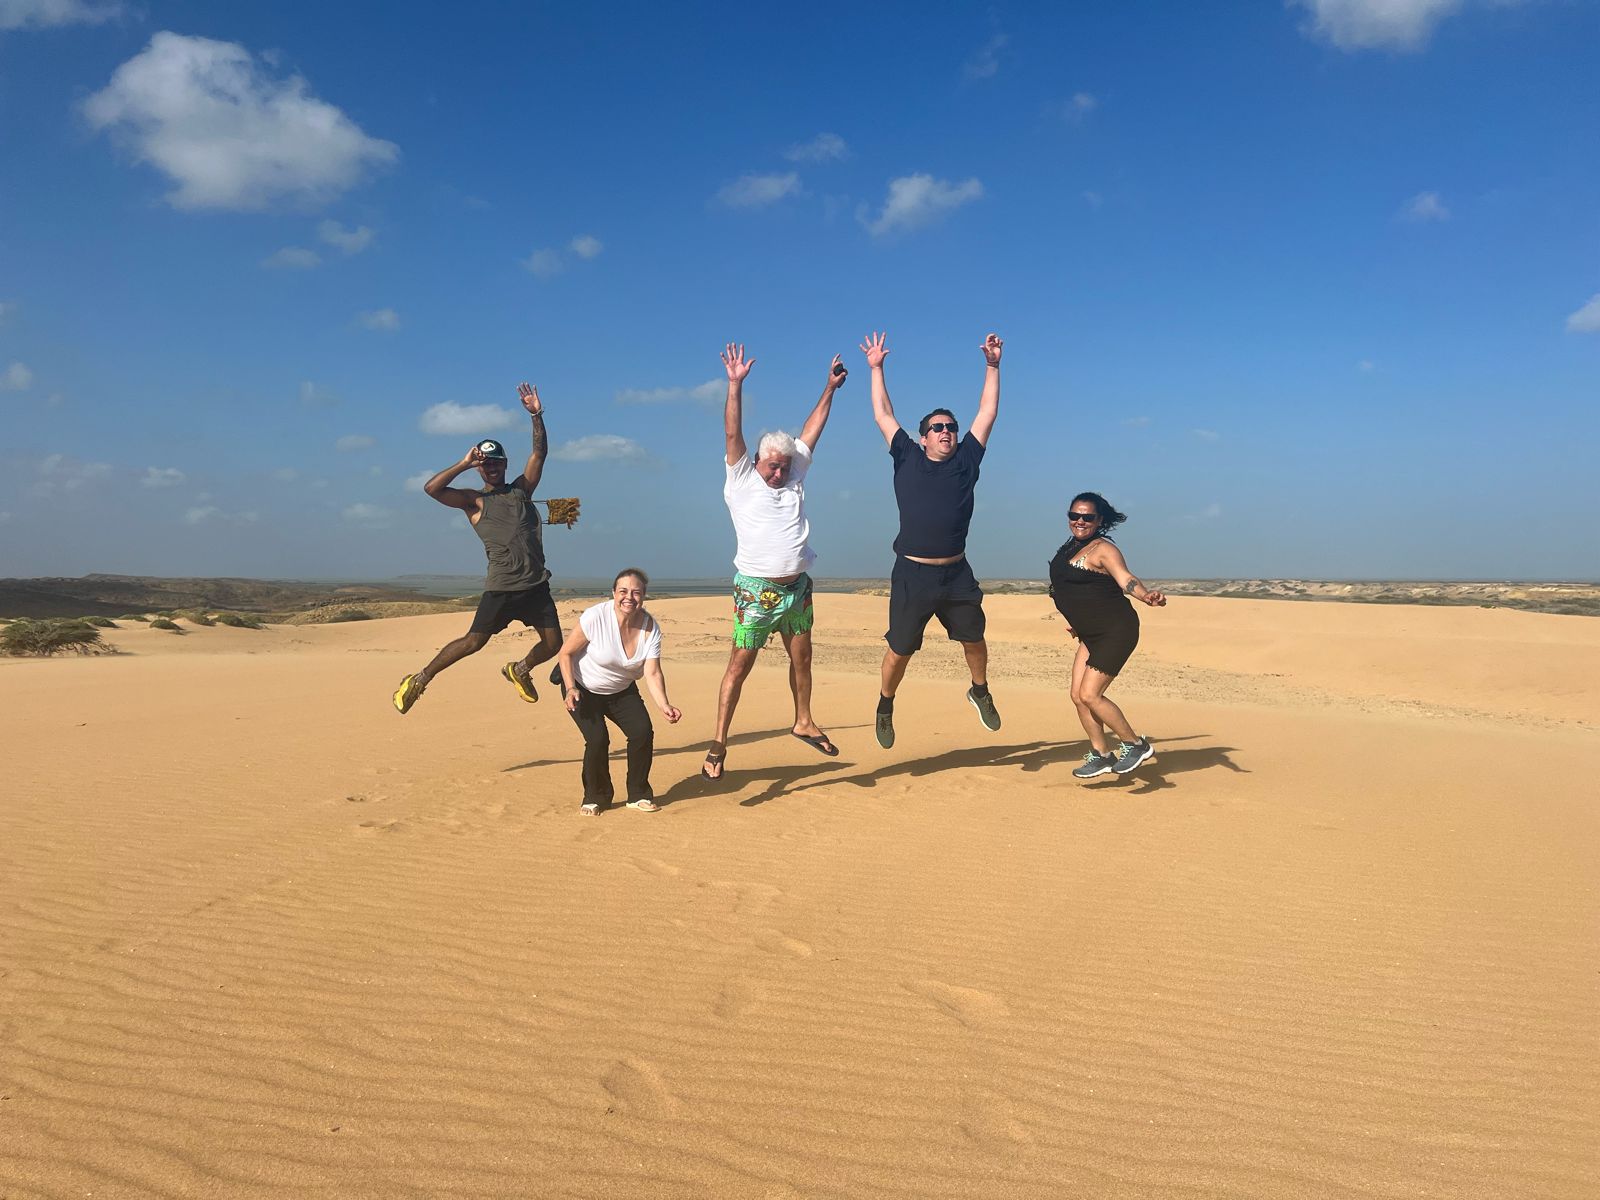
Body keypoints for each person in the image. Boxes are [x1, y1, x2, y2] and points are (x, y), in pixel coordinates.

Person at [701, 343, 846, 781]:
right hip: (755, 590)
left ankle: (802, 720)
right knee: (739, 666)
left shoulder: (794, 471)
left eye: (784, 467)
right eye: (773, 467)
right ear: (758, 461)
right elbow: (732, 433)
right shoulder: (741, 476)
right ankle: (719, 742)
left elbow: (812, 429)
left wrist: (830, 388)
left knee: (802, 658)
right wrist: (734, 384)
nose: (779, 474)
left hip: (797, 588)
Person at [861, 330, 1003, 749]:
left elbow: (988, 412)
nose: (946, 431)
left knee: (975, 640)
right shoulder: (906, 456)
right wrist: (876, 368)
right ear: (923, 437)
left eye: (951, 427)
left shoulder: (966, 461)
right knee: (900, 651)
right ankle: (885, 705)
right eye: (937, 428)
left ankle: (979, 690)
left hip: (956, 573)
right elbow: (883, 414)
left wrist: (993, 365)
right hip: (912, 576)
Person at [392, 381, 561, 714]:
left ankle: (520, 670)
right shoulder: (474, 501)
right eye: (486, 464)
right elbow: (432, 489)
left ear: (505, 464)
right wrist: (464, 462)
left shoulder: (522, 490)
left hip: (536, 586)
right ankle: (419, 679)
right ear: (480, 468)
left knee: (553, 644)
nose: (492, 468)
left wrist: (536, 415)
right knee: (473, 642)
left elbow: (539, 453)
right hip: (502, 589)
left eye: (497, 463)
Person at [1046, 493, 1167, 777]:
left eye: (1087, 517)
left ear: (1099, 520)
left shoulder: (1103, 549)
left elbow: (1126, 579)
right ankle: (1101, 754)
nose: (1080, 521)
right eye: (1074, 515)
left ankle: (1135, 744)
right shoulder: (1071, 546)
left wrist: (1146, 595)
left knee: (1091, 694)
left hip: (1116, 630)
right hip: (1089, 633)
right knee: (1077, 696)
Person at [556, 568, 681, 814]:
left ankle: (638, 794)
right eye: (623, 591)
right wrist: (570, 687)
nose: (629, 597)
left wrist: (664, 704)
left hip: (621, 690)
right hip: (582, 688)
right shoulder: (596, 617)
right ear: (613, 593)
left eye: (636, 592)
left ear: (643, 596)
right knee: (597, 739)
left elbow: (652, 672)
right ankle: (595, 796)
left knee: (642, 732)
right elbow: (565, 653)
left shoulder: (650, 628)